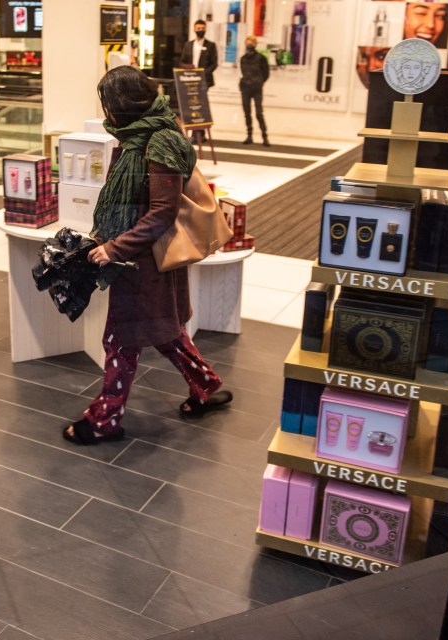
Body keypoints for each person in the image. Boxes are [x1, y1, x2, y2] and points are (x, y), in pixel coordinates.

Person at [63, 66, 232, 446]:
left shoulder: (159, 143)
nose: (105, 110)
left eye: (108, 102)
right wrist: (102, 237)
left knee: (122, 338)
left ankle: (105, 420)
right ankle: (205, 386)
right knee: (164, 329)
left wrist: (114, 248)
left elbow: (162, 212)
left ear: (124, 102)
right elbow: (127, 201)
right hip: (139, 257)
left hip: (145, 262)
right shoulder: (133, 136)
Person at [239, 36, 270, 146]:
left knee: (258, 113)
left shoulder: (261, 58)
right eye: (248, 43)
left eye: (251, 43)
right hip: (245, 88)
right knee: (247, 113)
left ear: (255, 44)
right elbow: (243, 72)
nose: (249, 45)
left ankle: (264, 136)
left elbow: (266, 74)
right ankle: (249, 135)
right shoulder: (243, 58)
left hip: (257, 89)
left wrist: (259, 82)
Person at [180, 19, 218, 88]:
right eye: (198, 28)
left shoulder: (211, 45)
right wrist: (188, 68)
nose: (201, 30)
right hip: (190, 77)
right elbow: (183, 61)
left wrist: (203, 73)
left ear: (205, 29)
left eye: (203, 28)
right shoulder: (188, 45)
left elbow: (214, 63)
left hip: (205, 79)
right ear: (194, 29)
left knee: (202, 98)